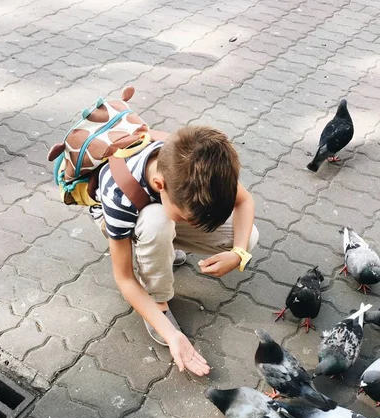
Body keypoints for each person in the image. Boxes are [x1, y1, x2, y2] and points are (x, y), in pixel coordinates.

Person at [93, 125, 258, 377]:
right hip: (125, 219)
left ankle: (162, 248)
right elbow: (124, 278)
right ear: (160, 185)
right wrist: (171, 335)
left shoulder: (205, 169)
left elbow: (244, 201)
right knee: (157, 222)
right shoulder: (119, 196)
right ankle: (158, 302)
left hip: (162, 206)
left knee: (248, 236)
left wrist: (238, 254)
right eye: (187, 219)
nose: (196, 228)